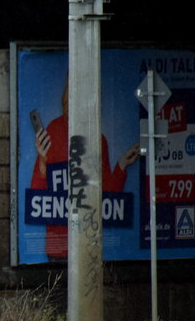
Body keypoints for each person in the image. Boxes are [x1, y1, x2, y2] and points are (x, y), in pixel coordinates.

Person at [29, 85, 139, 260]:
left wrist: (122, 164)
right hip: (59, 247)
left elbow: (107, 194)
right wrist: (42, 160)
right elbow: (37, 193)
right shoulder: (53, 131)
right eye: (67, 101)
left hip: (87, 243)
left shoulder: (98, 139)